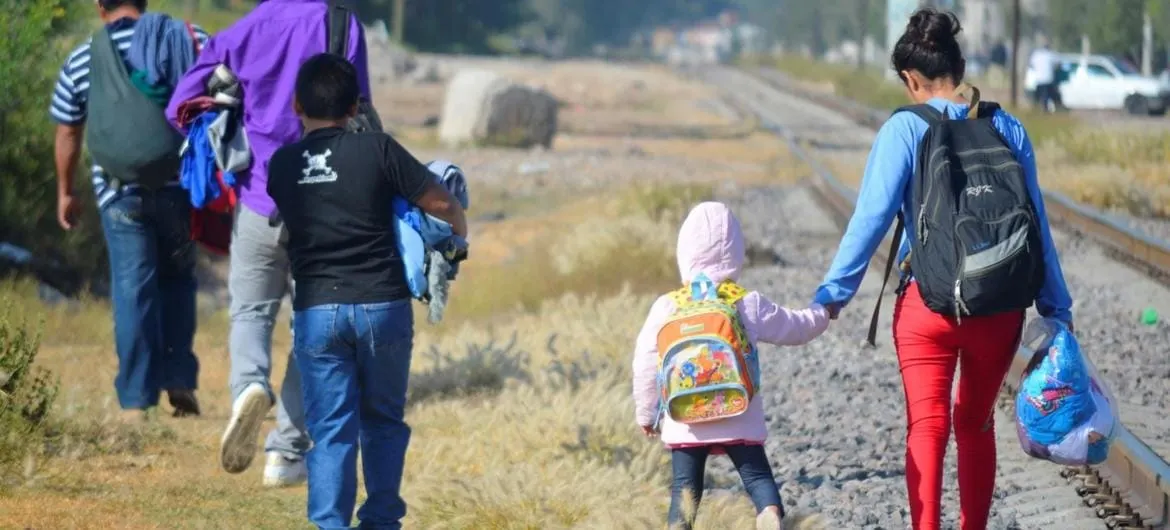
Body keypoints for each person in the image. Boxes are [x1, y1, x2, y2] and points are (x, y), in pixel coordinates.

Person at [812, 9, 1073, 530]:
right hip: (999, 308)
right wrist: (1056, 309)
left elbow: (870, 220)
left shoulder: (905, 128)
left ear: (911, 79)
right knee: (975, 424)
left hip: (927, 307)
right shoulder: (1007, 126)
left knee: (927, 429)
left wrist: (833, 293)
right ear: (959, 66)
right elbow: (1037, 225)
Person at [166, 0, 371, 486]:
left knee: (250, 312)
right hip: (325, 202)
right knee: (315, 329)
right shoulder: (342, 23)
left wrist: (228, 135)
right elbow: (357, 107)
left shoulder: (245, 29)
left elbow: (182, 104)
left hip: (259, 196)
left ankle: (249, 386)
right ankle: (285, 453)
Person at [267, 53, 467, 530]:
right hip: (383, 306)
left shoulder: (282, 164)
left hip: (317, 312)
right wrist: (459, 230)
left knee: (331, 432)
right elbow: (440, 200)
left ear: (297, 104)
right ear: (356, 106)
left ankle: (330, 524)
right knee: (382, 421)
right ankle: (379, 520)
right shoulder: (378, 149)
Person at [52, 0, 207, 423]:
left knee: (133, 288)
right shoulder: (190, 40)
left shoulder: (83, 57)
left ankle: (137, 400)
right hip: (181, 188)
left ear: (101, 7)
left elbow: (68, 129)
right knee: (178, 281)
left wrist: (66, 192)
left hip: (120, 193)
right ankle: (179, 380)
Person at [632, 201, 830, 530]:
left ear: (684, 252)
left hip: (685, 418)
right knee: (756, 477)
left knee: (684, 489)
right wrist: (822, 312)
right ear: (736, 252)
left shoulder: (667, 306)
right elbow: (795, 327)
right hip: (738, 413)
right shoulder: (745, 302)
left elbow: (645, 360)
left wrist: (645, 412)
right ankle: (768, 513)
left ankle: (678, 526)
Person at [1028, 36, 1064, 112]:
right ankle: (1048, 109)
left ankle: (1042, 108)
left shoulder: (1036, 55)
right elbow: (1059, 63)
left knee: (1041, 96)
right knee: (1050, 95)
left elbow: (1031, 65)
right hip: (1048, 79)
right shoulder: (1051, 54)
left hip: (1039, 79)